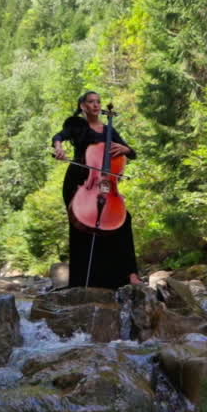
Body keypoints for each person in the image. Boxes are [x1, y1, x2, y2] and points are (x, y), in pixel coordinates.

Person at [51, 90, 142, 289]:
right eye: (91, 102)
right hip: (80, 181)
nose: (96, 105)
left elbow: (131, 153)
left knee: (123, 220)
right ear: (83, 106)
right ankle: (83, 281)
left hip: (106, 184)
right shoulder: (76, 124)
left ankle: (128, 274)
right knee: (83, 228)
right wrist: (59, 147)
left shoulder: (108, 130)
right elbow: (59, 136)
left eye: (98, 102)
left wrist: (126, 150)